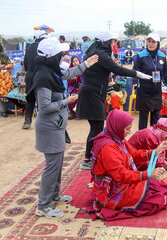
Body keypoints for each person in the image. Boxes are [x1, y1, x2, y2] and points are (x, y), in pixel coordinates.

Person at [28, 37, 98, 218]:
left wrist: (85, 65)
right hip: (49, 127)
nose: (63, 56)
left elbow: (67, 74)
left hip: (55, 125)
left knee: (57, 163)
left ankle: (54, 194)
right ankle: (43, 205)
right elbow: (44, 108)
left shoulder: (50, 70)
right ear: (53, 56)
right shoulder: (43, 77)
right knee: (52, 166)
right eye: (61, 53)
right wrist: (67, 100)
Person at [76, 30, 151, 170]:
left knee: (97, 127)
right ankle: (88, 159)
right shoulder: (101, 55)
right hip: (92, 94)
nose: (114, 44)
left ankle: (93, 156)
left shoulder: (95, 51)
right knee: (97, 128)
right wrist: (137, 73)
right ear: (106, 42)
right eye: (112, 41)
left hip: (93, 92)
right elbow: (117, 69)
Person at [87, 110, 167, 220]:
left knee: (158, 187)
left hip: (121, 182)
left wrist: (155, 152)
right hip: (113, 191)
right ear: (117, 126)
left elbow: (134, 154)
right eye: (127, 129)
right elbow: (121, 175)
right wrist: (148, 174)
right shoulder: (108, 148)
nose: (129, 132)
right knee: (156, 201)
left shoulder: (116, 138)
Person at [133, 33, 167, 130]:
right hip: (144, 91)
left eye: (153, 42)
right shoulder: (140, 56)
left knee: (155, 118)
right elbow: (135, 71)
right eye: (149, 41)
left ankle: (153, 139)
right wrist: (135, 82)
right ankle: (142, 140)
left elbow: (165, 74)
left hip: (156, 91)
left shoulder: (162, 56)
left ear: (157, 43)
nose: (150, 44)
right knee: (143, 117)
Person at [22, 28, 54, 129]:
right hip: (42, 76)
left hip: (30, 76)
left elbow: (26, 65)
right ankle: (44, 122)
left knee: (30, 99)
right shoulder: (45, 47)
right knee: (43, 99)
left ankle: (27, 121)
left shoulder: (29, 47)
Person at [0, 43, 14, 117]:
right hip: (1, 78)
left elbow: (11, 64)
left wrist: (5, 66)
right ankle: (2, 111)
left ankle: (6, 109)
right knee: (1, 94)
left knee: (7, 94)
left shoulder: (4, 55)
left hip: (6, 78)